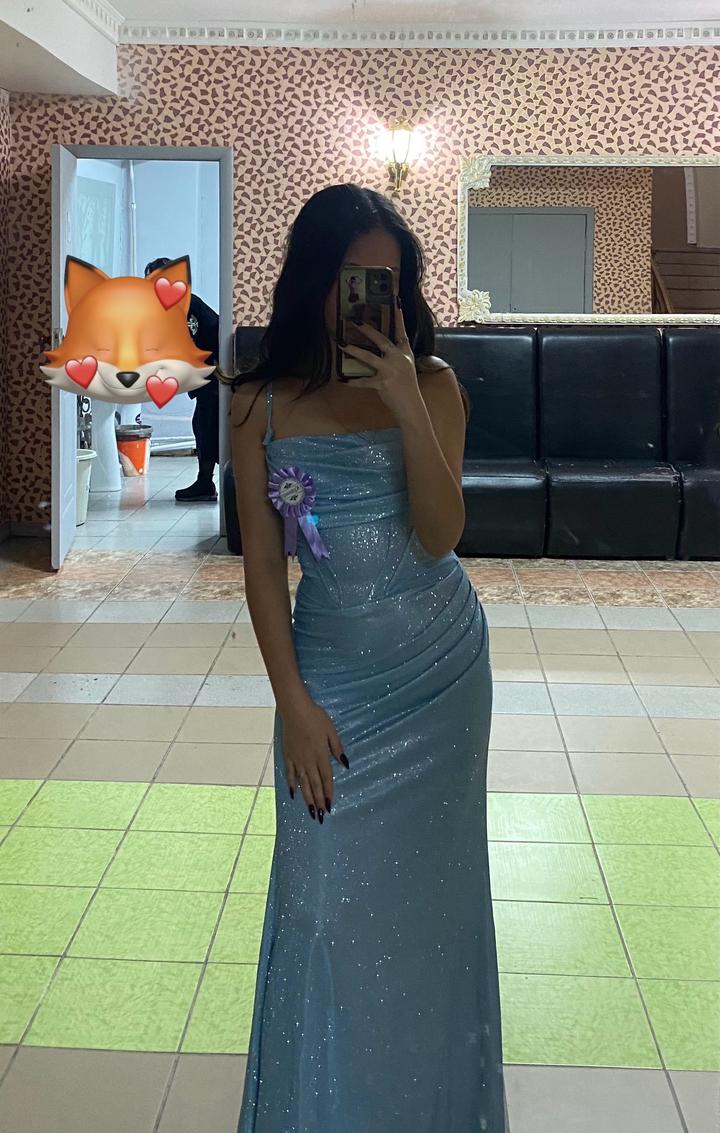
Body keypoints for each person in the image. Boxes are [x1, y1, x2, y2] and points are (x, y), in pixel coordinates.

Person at [226, 184, 505, 1132]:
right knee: (321, 910)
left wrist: (404, 403)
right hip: (330, 684)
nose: (370, 300)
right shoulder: (258, 404)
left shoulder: (435, 387)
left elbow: (440, 535)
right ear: (316, 282)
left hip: (441, 675)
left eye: (387, 281)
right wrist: (292, 704)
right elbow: (263, 568)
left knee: (433, 912)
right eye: (354, 280)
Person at [143, 257, 220, 501]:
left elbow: (215, 331)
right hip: (203, 376)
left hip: (216, 376)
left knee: (208, 426)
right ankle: (205, 482)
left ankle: (206, 482)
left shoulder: (189, 305)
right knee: (202, 426)